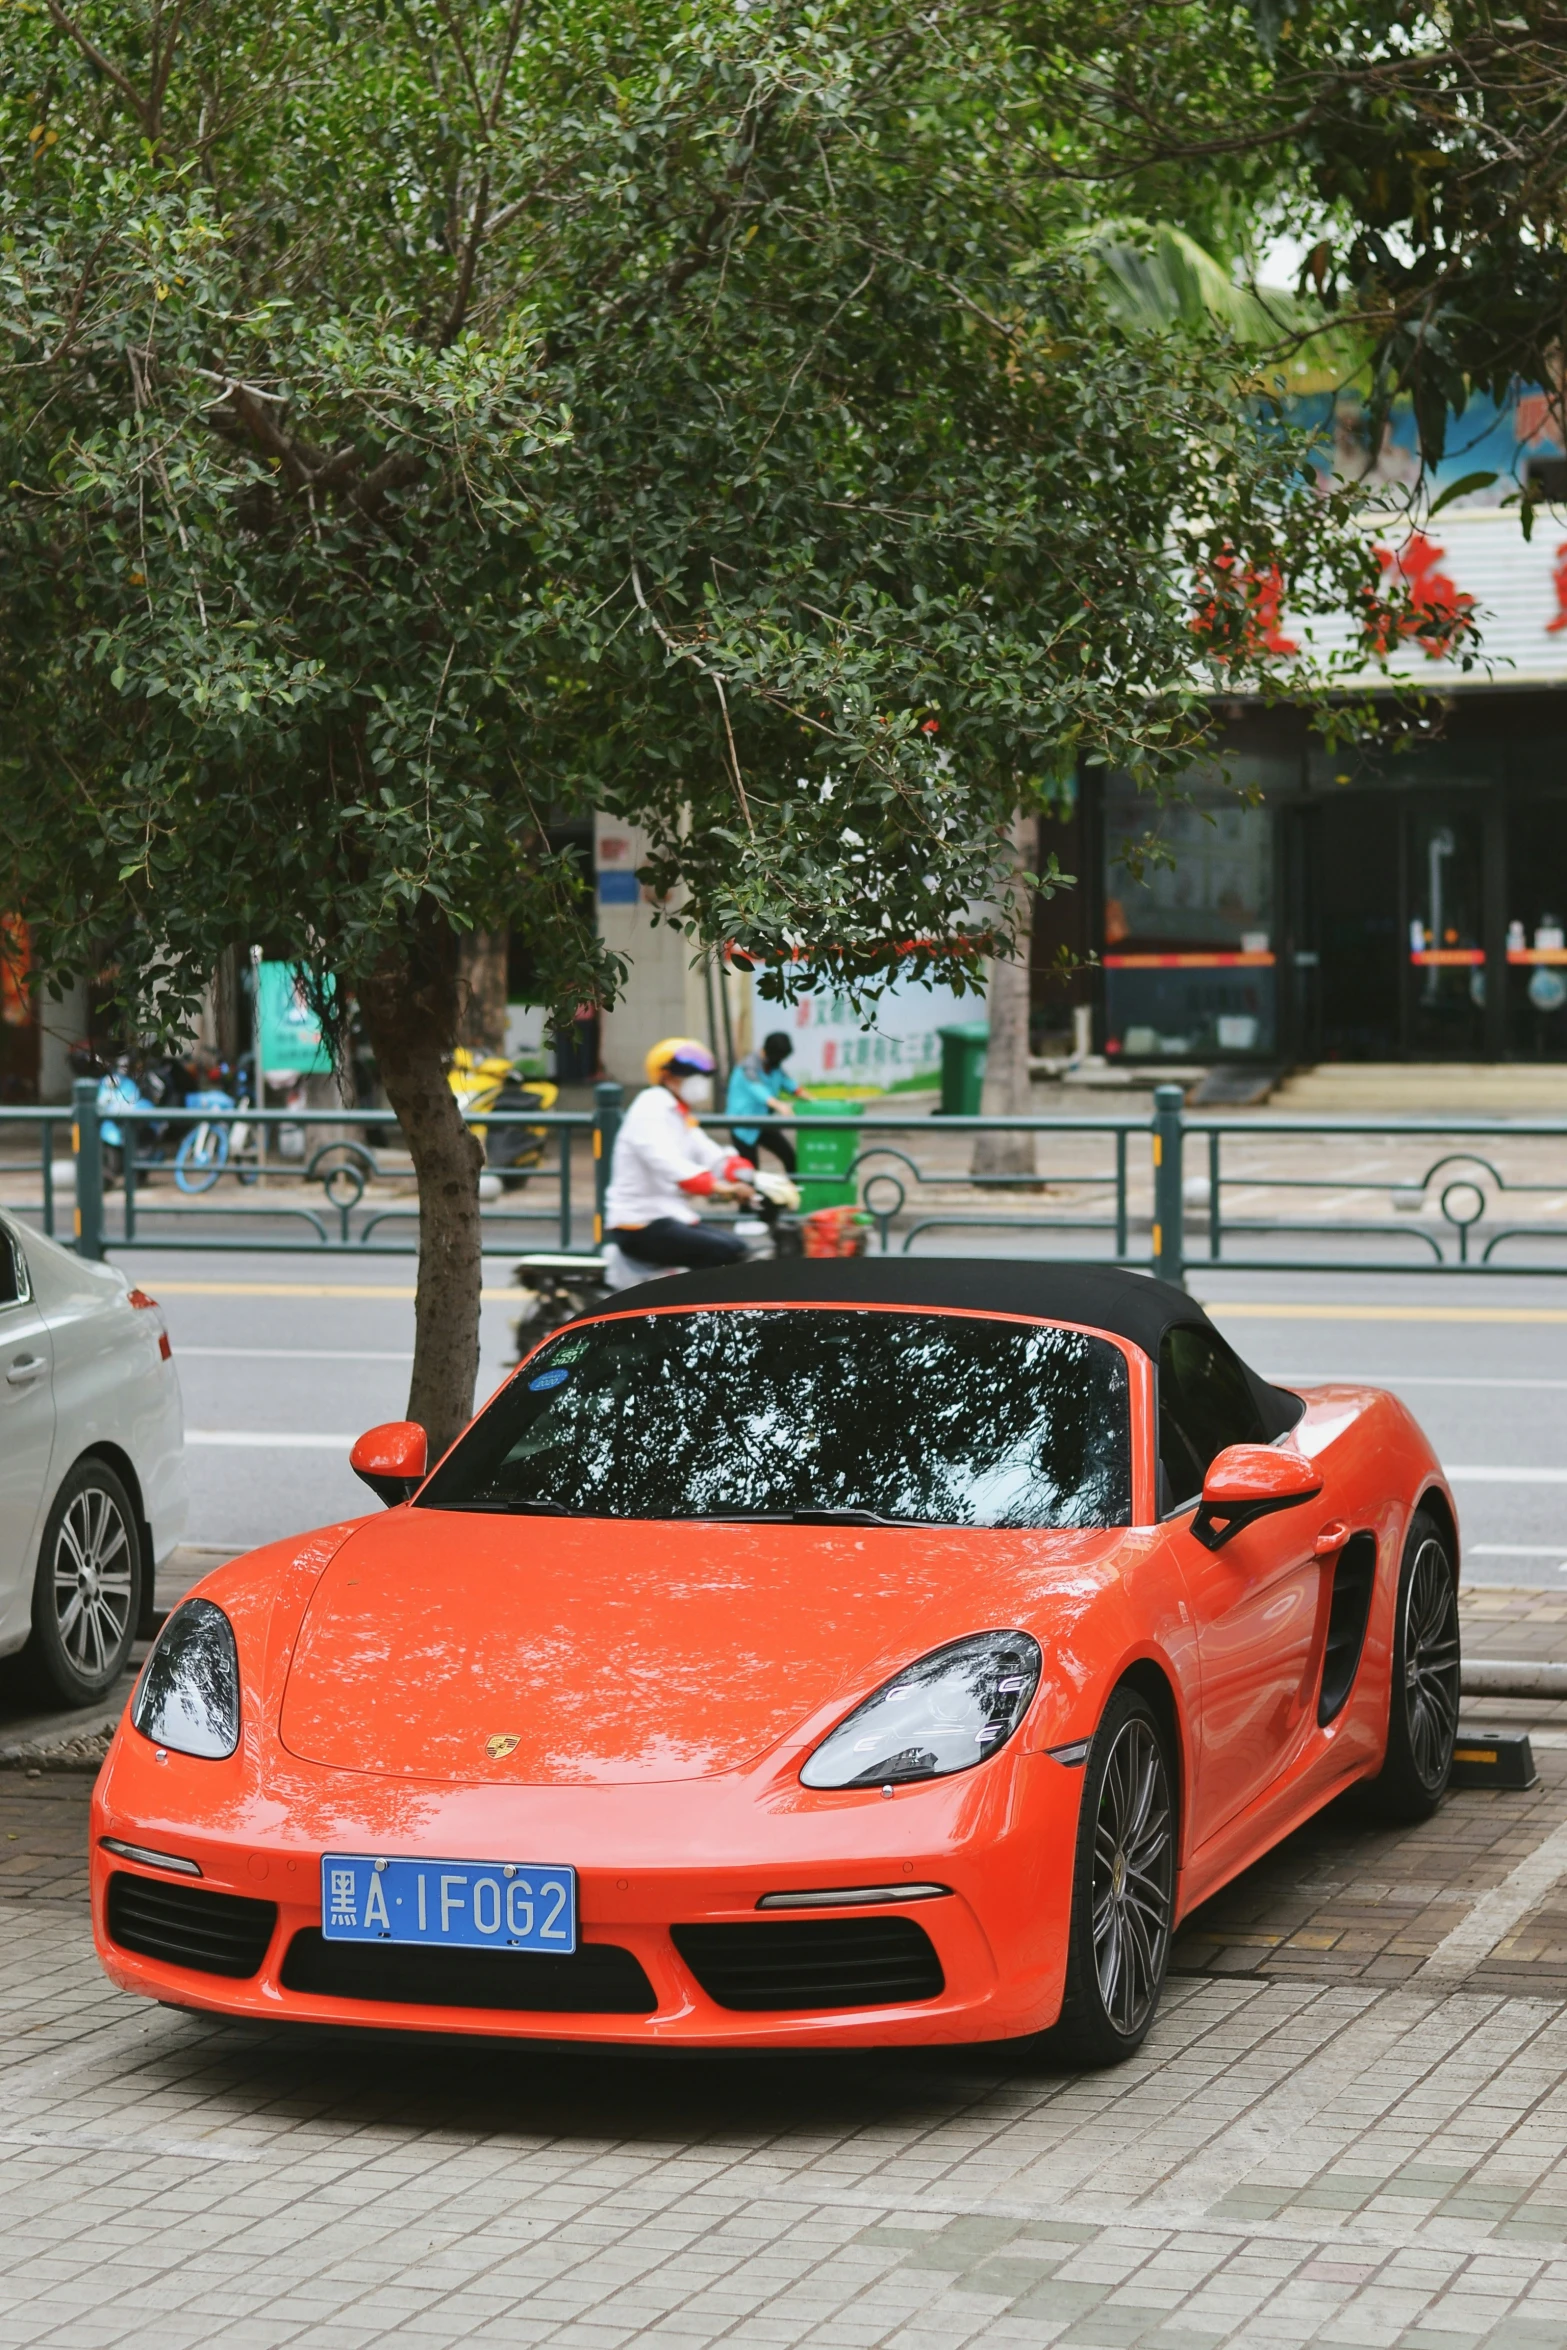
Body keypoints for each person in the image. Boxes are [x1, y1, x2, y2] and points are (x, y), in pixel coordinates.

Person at [603, 1038, 758, 1270]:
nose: (699, 1082)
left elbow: (709, 1153)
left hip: (670, 1216)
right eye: (687, 1074)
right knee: (725, 1251)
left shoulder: (679, 1113)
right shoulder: (650, 1107)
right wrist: (721, 1188)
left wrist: (740, 1170)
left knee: (737, 1248)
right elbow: (667, 1163)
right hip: (639, 1223)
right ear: (666, 1077)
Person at [725, 1031, 800, 1175]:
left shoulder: (774, 1065)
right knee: (751, 1169)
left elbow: (786, 1081)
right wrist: (779, 1105)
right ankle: (757, 1197)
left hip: (762, 1121)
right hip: (743, 1124)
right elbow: (757, 1089)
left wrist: (803, 1094)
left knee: (789, 1156)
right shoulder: (748, 1067)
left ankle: (795, 1191)